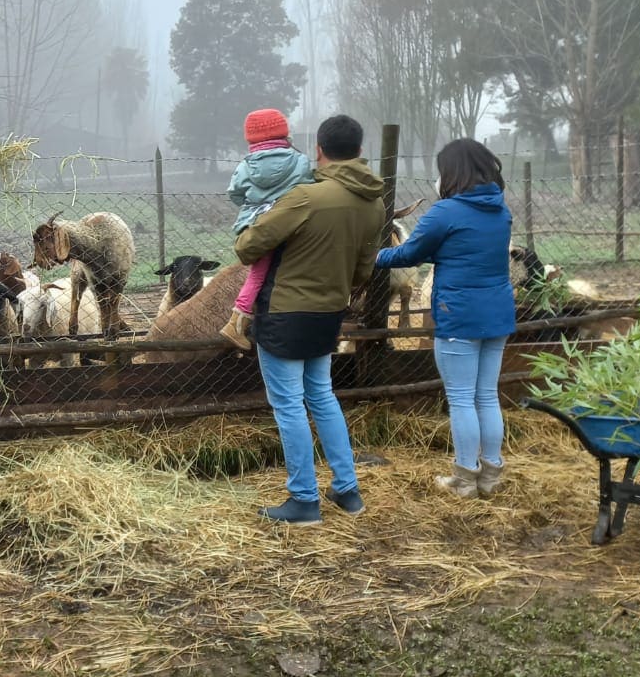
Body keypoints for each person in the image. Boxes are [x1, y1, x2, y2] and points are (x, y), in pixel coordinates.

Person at [234, 114, 384, 525]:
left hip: (284, 313)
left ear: (318, 150)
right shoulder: (374, 201)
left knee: (288, 405)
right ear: (358, 150)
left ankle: (303, 500)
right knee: (321, 395)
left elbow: (248, 248)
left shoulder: (305, 198)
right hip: (330, 312)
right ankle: (347, 490)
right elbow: (364, 269)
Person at [375, 138, 515, 498]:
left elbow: (410, 254)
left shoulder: (446, 212)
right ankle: (491, 475)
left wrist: (375, 258)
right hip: (497, 314)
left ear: (451, 173)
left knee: (461, 399)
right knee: (486, 395)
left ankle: (465, 478)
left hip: (459, 316)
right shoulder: (501, 211)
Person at [219, 108, 315, 350]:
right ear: (283, 132)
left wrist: (253, 204)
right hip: (290, 224)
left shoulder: (245, 166)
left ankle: (237, 322)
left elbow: (235, 193)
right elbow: (310, 187)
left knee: (257, 274)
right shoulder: (300, 161)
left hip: (258, 227)